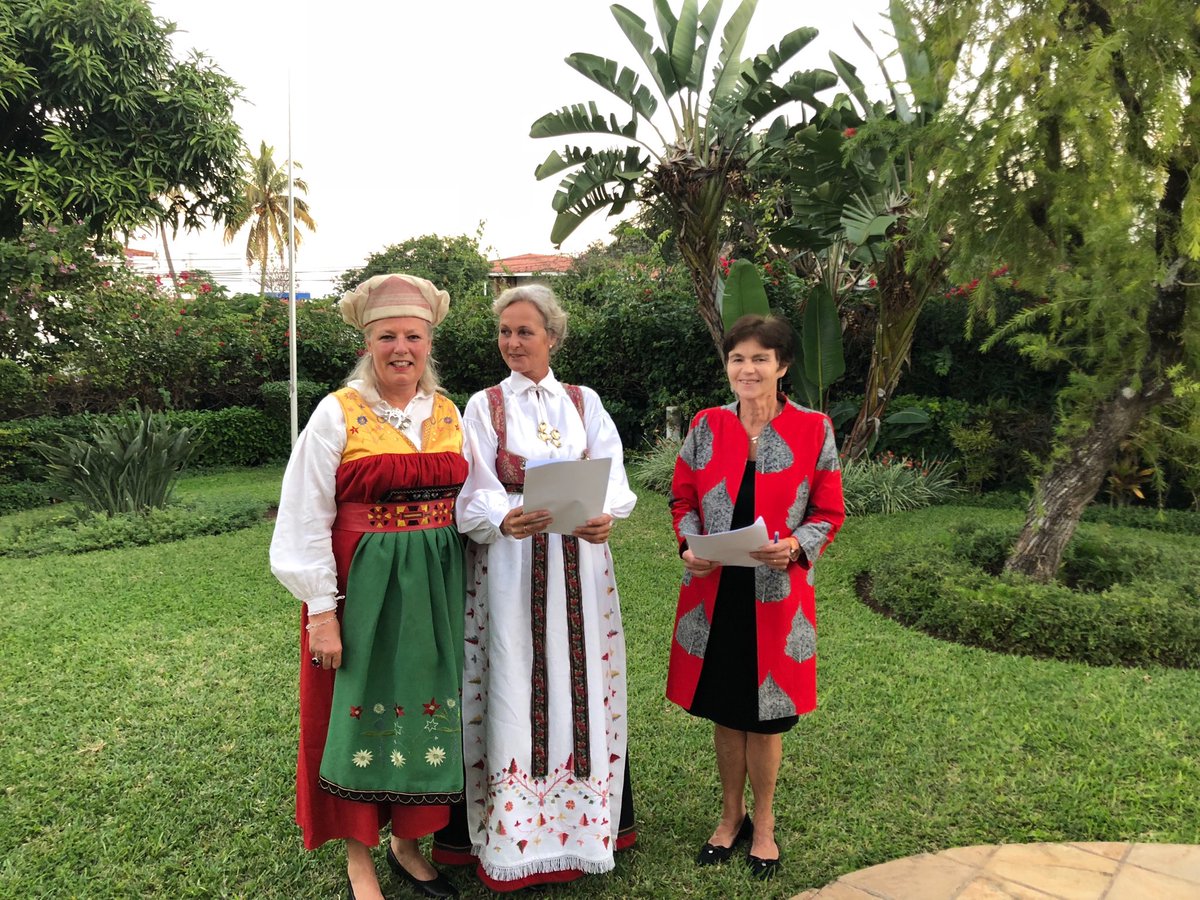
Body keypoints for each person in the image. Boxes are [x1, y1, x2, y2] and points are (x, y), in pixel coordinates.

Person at [432, 284, 638, 891]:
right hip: (511, 569)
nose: (513, 342)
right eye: (505, 331)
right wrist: (502, 518)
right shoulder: (483, 405)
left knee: (582, 682)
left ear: (552, 336)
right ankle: (510, 834)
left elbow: (614, 474)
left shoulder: (584, 401)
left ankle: (582, 829)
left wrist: (609, 513)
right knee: (513, 677)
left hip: (581, 561)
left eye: (525, 331)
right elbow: (470, 490)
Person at [270, 273, 467, 900]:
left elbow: (475, 501)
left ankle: (409, 844)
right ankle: (361, 858)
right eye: (388, 336)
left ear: (429, 343)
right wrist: (321, 614)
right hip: (364, 589)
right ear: (368, 343)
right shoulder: (338, 412)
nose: (401, 348)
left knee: (424, 706)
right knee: (352, 712)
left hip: (434, 589)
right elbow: (305, 515)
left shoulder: (446, 412)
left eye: (413, 335)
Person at [666, 314, 845, 881]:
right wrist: (688, 546)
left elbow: (829, 511)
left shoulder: (814, 429)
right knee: (726, 711)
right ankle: (729, 816)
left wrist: (795, 544)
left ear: (782, 366)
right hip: (715, 592)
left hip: (777, 595)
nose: (747, 368)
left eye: (760, 358)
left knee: (766, 719)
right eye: (738, 358)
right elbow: (682, 500)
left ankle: (763, 824)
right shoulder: (706, 425)